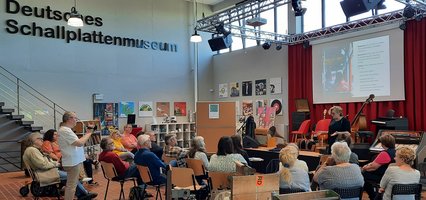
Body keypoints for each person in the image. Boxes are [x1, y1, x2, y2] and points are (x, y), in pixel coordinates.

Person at [24, 132, 97, 200]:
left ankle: (81, 194)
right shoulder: (32, 150)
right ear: (34, 140)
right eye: (40, 139)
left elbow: (45, 162)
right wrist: (56, 164)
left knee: (71, 175)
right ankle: (83, 194)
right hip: (45, 174)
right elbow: (43, 165)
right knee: (72, 176)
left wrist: (55, 163)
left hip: (46, 172)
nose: (42, 141)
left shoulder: (33, 150)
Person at [58, 111, 95, 200]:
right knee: (71, 186)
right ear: (69, 119)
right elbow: (79, 143)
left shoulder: (66, 130)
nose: (76, 120)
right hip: (72, 162)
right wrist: (89, 133)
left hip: (74, 161)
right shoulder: (65, 130)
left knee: (72, 186)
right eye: (75, 118)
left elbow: (75, 145)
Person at [362, 134, 396, 200]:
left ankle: (373, 196)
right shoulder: (396, 152)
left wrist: (364, 168)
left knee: (363, 175)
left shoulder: (385, 153)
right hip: (391, 176)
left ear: (383, 144)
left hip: (382, 177)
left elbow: (373, 167)